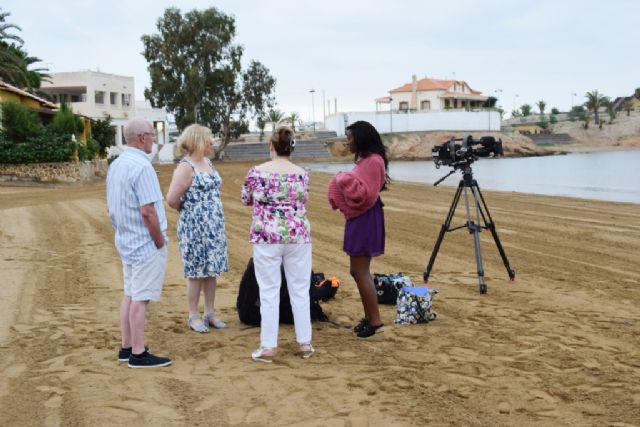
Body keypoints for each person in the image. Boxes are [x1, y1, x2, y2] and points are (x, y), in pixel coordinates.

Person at [241, 126, 314, 362]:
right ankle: (305, 343)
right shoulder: (302, 173)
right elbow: (304, 198)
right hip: (297, 235)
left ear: (271, 146)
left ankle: (268, 346)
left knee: (269, 290)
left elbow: (245, 198)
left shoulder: (256, 172)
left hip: (267, 235)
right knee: (299, 289)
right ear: (291, 148)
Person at [106, 118, 172, 368]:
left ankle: (126, 347)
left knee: (131, 294)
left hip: (126, 239)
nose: (154, 139)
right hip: (144, 242)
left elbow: (112, 206)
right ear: (142, 137)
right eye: (152, 135)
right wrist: (159, 241)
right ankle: (138, 353)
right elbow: (148, 211)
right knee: (140, 298)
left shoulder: (117, 164)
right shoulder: (142, 167)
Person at [327, 121, 390, 339]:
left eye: (350, 138)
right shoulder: (368, 160)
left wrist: (341, 178)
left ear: (361, 138)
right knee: (358, 271)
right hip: (363, 218)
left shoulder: (373, 161)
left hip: (365, 218)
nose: (347, 142)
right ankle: (371, 318)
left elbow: (365, 196)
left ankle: (376, 322)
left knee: (360, 272)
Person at [166, 124, 229, 333]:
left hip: (214, 228)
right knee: (195, 272)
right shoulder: (185, 167)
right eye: (208, 140)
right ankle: (193, 315)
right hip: (194, 228)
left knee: (211, 270)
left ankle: (210, 312)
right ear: (198, 141)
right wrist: (191, 211)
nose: (212, 143)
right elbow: (172, 199)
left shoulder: (208, 162)